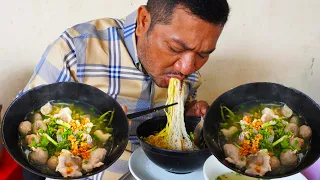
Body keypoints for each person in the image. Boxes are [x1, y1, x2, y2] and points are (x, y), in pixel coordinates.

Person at [19, 0, 230, 179]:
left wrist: (188, 116)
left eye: (203, 54)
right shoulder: (77, 48)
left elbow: (173, 127)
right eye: (175, 48)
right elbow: (23, 128)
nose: (187, 68)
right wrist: (91, 126)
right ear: (144, 21)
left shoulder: (189, 70)